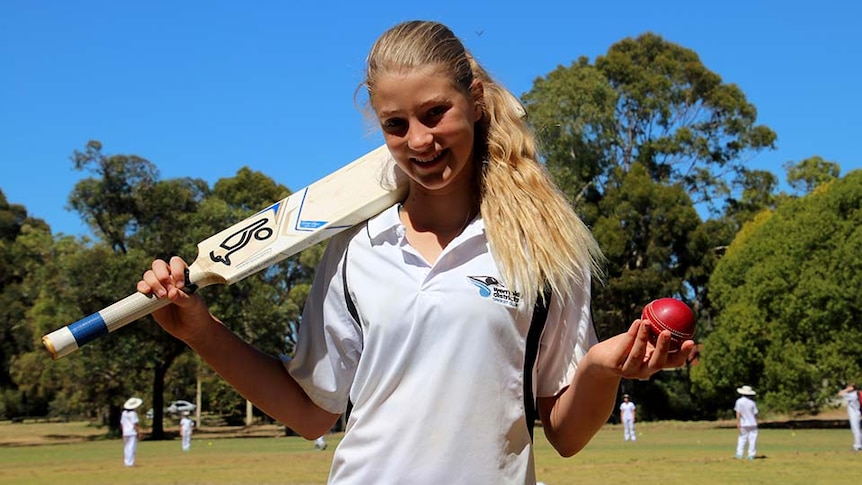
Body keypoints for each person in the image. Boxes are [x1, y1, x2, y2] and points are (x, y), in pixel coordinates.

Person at [136, 20, 694, 484]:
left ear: (474, 100)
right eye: (396, 125)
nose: (419, 141)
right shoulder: (357, 247)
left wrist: (599, 367)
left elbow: (566, 435)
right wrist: (199, 331)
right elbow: (310, 412)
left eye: (435, 113)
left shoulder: (546, 247)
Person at [734, 385, 758, 460]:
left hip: (743, 423)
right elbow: (755, 413)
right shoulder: (752, 403)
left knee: (742, 438)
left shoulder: (739, 401)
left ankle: (739, 454)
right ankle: (751, 455)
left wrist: (738, 422)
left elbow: (738, 413)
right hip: (752, 423)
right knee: (752, 439)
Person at [838, 383, 862, 451]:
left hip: (854, 414)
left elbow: (840, 393)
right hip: (856, 413)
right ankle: (859, 444)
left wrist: (847, 389)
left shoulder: (852, 395)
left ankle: (858, 446)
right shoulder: (855, 394)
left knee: (856, 430)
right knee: (857, 430)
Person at [120, 397, 143, 467]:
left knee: (126, 447)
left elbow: (122, 423)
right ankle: (130, 463)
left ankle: (127, 462)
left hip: (125, 432)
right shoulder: (133, 414)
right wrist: (139, 432)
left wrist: (123, 432)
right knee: (131, 448)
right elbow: (134, 424)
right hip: (132, 432)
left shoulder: (124, 413)